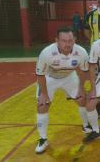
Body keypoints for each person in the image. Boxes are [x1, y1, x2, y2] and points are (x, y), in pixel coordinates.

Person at [35, 26, 89, 154]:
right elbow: (40, 75)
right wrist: (43, 93)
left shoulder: (81, 52)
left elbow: (83, 72)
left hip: (69, 77)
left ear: (74, 39)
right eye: (64, 41)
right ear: (57, 41)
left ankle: (86, 126)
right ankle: (43, 139)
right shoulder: (46, 53)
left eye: (70, 40)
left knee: (82, 99)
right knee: (42, 105)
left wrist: (81, 89)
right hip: (49, 78)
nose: (68, 44)